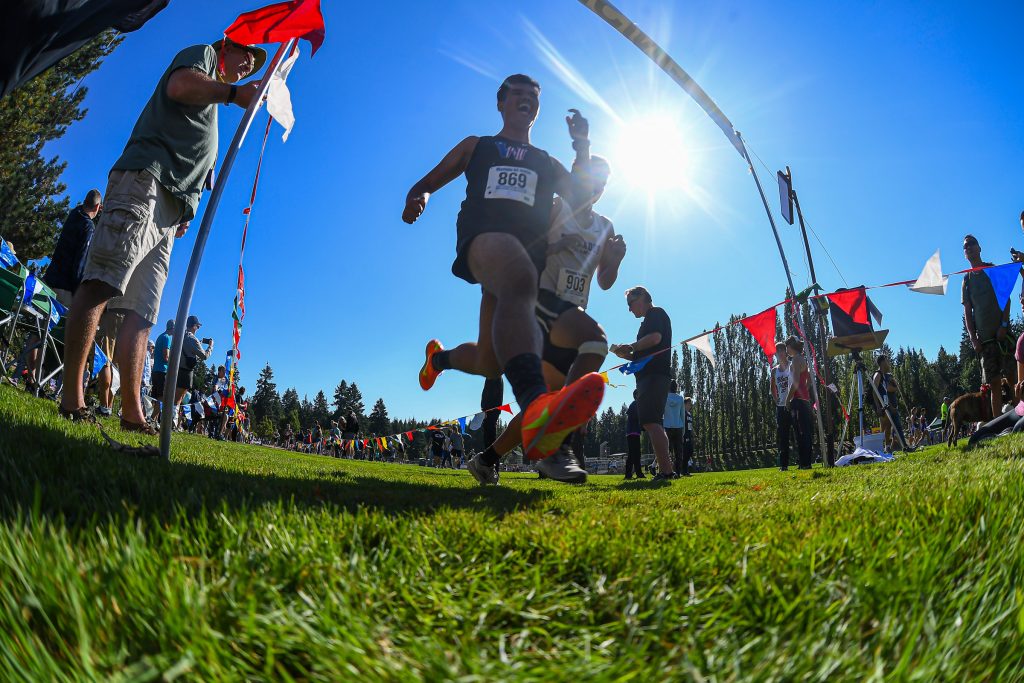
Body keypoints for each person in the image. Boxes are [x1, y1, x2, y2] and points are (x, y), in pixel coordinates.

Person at [58, 36, 266, 434]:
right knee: (103, 279)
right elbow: (179, 86)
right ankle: (72, 398)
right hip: (146, 180)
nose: (247, 67)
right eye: (246, 58)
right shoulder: (203, 56)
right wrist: (234, 92)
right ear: (229, 47)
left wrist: (189, 206)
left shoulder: (216, 101)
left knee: (143, 313)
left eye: (250, 67)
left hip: (170, 211)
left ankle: (132, 412)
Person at [403, 74, 604, 467]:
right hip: (483, 239)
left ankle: (438, 360)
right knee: (519, 277)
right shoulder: (479, 145)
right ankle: (536, 413)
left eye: (533, 96)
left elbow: (581, 196)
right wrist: (419, 198)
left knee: (490, 362)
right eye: (519, 93)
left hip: (520, 267)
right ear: (501, 103)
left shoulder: (546, 161)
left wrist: (582, 144)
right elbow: (426, 183)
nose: (526, 99)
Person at [461, 157, 626, 484]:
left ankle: (486, 459)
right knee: (596, 341)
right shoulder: (555, 207)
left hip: (569, 314)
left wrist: (615, 260)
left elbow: (605, 281)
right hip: (539, 302)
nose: (597, 188)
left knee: (544, 404)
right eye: (592, 180)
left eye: (604, 184)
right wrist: (554, 246)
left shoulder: (605, 226)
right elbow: (523, 247)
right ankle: (557, 446)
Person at [611, 286, 676, 480]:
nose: (629, 309)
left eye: (630, 303)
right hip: (651, 375)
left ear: (642, 298)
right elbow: (643, 353)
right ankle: (667, 470)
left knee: (651, 422)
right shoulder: (647, 321)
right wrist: (628, 354)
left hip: (654, 376)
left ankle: (666, 471)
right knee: (653, 422)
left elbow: (655, 338)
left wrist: (632, 346)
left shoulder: (655, 313)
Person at [962, 233, 1017, 419]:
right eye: (965, 246)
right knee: (993, 385)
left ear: (979, 248)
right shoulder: (966, 280)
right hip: (984, 341)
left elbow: (1006, 298)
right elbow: (967, 313)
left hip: (1003, 335)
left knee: (1013, 378)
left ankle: (1021, 416)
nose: (968, 247)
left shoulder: (991, 270)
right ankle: (1000, 425)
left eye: (972, 244)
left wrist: (1004, 325)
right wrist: (973, 338)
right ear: (965, 254)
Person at [970, 291, 1024, 446]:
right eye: (1021, 296)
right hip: (1022, 409)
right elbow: (1022, 394)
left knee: (1019, 429)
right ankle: (1003, 434)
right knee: (976, 438)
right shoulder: (1021, 342)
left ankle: (1004, 434)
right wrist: (1021, 391)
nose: (1022, 301)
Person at [43, 189, 102, 306]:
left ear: (85, 201)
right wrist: (78, 292)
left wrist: (94, 204)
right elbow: (80, 260)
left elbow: (82, 207)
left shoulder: (73, 215)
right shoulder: (88, 226)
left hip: (49, 280)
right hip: (65, 288)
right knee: (65, 323)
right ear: (97, 207)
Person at [175, 314, 212, 420]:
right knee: (179, 398)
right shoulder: (192, 338)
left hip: (177, 368)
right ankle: (171, 422)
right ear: (194, 326)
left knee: (178, 397)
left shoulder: (181, 335)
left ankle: (172, 420)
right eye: (198, 326)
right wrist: (210, 346)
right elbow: (204, 356)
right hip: (186, 371)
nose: (198, 328)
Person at [786, 336, 814, 469]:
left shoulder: (796, 359)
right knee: (806, 432)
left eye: (787, 346)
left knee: (800, 433)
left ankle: (804, 463)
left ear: (790, 346)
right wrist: (805, 392)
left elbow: (796, 382)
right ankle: (806, 462)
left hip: (798, 400)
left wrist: (788, 399)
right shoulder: (803, 359)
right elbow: (807, 381)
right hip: (805, 400)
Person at [871, 354, 909, 452]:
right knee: (883, 427)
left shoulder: (885, 375)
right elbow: (874, 390)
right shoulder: (878, 374)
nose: (889, 363)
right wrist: (878, 407)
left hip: (886, 403)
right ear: (883, 361)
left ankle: (887, 447)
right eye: (887, 361)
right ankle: (878, 448)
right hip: (880, 405)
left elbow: (886, 391)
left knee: (888, 426)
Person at [770, 341, 794, 470]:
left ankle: (803, 462)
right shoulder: (774, 370)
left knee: (797, 433)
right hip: (781, 407)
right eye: (777, 351)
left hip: (793, 404)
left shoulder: (792, 365)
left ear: (786, 352)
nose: (780, 353)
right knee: (783, 437)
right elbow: (772, 388)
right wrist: (776, 399)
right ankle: (784, 465)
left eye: (782, 350)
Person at [150, 319, 174, 423]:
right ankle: (152, 419)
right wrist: (173, 366)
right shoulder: (167, 338)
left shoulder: (160, 336)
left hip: (155, 370)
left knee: (155, 397)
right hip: (162, 371)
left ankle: (152, 419)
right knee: (161, 398)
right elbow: (166, 356)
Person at [664, 380, 685, 474]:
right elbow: (682, 415)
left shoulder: (664, 398)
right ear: (676, 388)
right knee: (678, 451)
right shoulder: (680, 399)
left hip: (667, 426)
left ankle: (666, 470)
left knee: (666, 451)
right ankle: (678, 472)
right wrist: (683, 429)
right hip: (678, 426)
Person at [623, 392, 643, 480]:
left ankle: (629, 474)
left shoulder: (635, 405)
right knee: (635, 454)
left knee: (633, 454)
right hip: (632, 432)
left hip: (634, 432)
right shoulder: (635, 404)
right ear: (636, 396)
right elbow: (636, 417)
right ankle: (637, 473)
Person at [681, 396, 694, 476]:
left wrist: (694, 433)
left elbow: (691, 425)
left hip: (689, 435)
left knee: (690, 451)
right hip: (684, 435)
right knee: (685, 453)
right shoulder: (683, 413)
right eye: (689, 403)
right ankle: (684, 471)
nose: (690, 405)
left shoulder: (689, 414)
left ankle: (685, 470)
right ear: (685, 404)